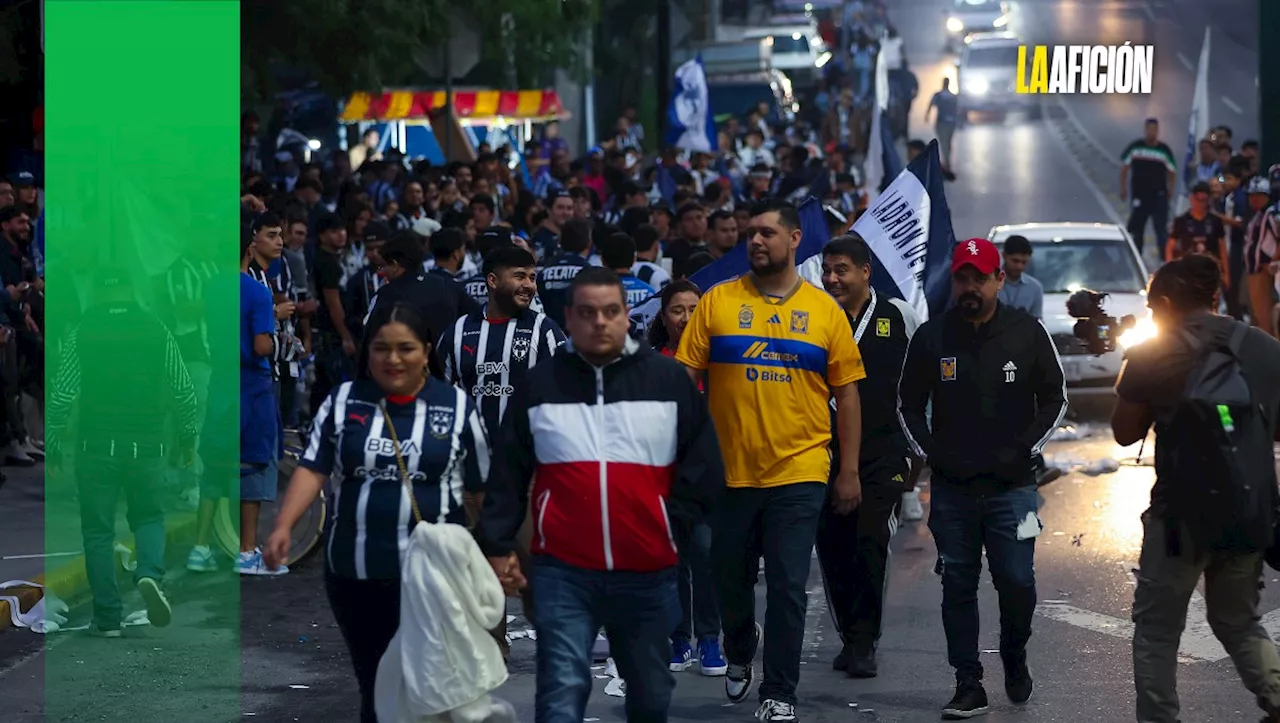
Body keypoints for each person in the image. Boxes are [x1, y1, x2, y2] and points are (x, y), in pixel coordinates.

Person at [478, 267, 724, 723]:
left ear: (626, 315)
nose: (599, 322)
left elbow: (704, 466)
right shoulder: (540, 385)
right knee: (561, 691)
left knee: (649, 695)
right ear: (568, 317)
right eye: (587, 312)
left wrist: (670, 523)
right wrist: (496, 544)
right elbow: (509, 473)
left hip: (647, 570)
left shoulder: (667, 381)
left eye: (610, 312)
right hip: (563, 571)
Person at [675, 198, 867, 722]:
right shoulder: (716, 302)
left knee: (786, 586)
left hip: (800, 470)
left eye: (765, 233)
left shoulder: (825, 311)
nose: (755, 241)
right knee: (728, 582)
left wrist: (847, 470)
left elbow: (847, 394)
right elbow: (685, 380)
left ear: (794, 238)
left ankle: (779, 692)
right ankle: (740, 646)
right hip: (728, 474)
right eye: (749, 234)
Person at [264, 301, 490, 723]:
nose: (393, 359)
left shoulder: (458, 407)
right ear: (367, 353)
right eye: (381, 348)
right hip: (354, 571)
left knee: (426, 683)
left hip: (436, 578)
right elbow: (313, 467)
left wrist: (496, 553)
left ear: (425, 351)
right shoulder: (343, 401)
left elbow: (480, 490)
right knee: (377, 683)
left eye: (405, 348)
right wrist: (283, 525)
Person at [896, 238, 1067, 718]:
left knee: (1018, 579)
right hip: (952, 493)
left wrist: (1025, 448)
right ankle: (967, 681)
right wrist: (931, 454)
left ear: (997, 281)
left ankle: (1015, 653)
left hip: (1016, 492)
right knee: (958, 584)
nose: (969, 287)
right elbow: (906, 404)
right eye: (962, 278)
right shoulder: (932, 337)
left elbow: (1056, 399)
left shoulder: (1026, 332)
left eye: (979, 278)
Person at [1111, 254, 1280, 723]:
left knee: (1157, 631)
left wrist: (1136, 374)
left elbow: (1124, 431)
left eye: (1151, 307)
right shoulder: (1264, 348)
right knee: (1239, 622)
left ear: (1163, 303)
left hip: (1178, 520)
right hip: (1249, 513)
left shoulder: (1153, 353)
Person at [46, 269, 198, 635]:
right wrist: (187, 438)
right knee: (148, 518)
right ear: (132, 289)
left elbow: (62, 393)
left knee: (98, 531)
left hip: (95, 446)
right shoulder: (155, 327)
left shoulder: (83, 330)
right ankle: (148, 574)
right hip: (147, 443)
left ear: (98, 292)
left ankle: (107, 618)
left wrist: (52, 445)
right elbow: (183, 389)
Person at [817, 234, 915, 678]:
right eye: (827, 270)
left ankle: (864, 641)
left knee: (870, 540)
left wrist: (920, 447)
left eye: (841, 270)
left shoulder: (898, 316)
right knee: (833, 548)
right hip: (821, 452)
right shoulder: (813, 316)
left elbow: (921, 383)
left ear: (865, 272)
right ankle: (848, 634)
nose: (832, 278)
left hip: (884, 452)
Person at [647, 280, 728, 676]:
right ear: (664, 317)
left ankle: (710, 638)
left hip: (712, 479)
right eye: (677, 310)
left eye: (695, 308)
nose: (686, 317)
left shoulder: (722, 361)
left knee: (706, 556)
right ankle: (679, 638)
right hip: (666, 480)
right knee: (673, 561)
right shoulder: (652, 363)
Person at [364, 231, 481, 346]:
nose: (382, 271)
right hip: (445, 361)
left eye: (384, 266)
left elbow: (369, 333)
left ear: (395, 265)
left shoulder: (386, 294)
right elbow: (478, 317)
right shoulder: (450, 286)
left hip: (402, 361)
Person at [1120, 118, 1177, 256]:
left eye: (1154, 130)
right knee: (1137, 230)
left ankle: (1165, 260)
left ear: (1157, 131)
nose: (1152, 132)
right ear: (1145, 130)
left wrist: (1170, 189)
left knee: (1161, 231)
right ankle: (1137, 257)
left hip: (1159, 196)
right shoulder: (1135, 147)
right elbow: (1124, 169)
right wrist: (1123, 188)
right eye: (1149, 129)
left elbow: (1171, 171)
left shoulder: (1164, 150)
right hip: (1140, 196)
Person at [536, 217, 593, 330]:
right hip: (578, 335)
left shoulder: (543, 272)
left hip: (548, 333)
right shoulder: (589, 272)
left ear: (560, 242)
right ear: (588, 242)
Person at [996, 235, 1043, 319]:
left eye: (1024, 262)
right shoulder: (991, 282)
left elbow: (1037, 321)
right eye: (1015, 261)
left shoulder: (1034, 287)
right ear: (1004, 256)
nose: (1019, 267)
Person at [925, 78, 959, 174]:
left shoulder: (938, 96)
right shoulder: (953, 97)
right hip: (951, 122)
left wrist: (926, 115)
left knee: (944, 143)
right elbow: (957, 110)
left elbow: (931, 105)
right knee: (948, 143)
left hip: (942, 122)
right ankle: (947, 162)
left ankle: (947, 164)